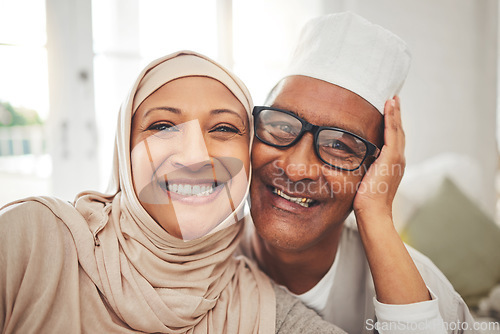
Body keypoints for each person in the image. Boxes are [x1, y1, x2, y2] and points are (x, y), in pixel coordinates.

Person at [0, 51, 346, 333]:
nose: (194, 156)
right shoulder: (31, 240)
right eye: (163, 126)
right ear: (125, 148)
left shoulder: (268, 315)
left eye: (224, 128)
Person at [241, 12, 478, 333]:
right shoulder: (199, 256)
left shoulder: (421, 293)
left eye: (339, 145)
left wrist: (376, 213)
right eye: (282, 126)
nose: (296, 168)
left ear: (374, 169)